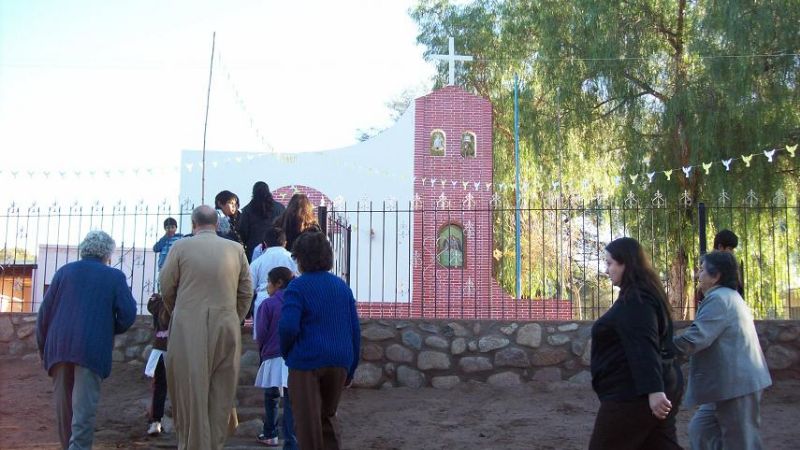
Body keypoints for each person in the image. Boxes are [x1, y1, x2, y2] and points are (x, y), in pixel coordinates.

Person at [159, 205, 254, 450]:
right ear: (217, 224)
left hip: (188, 325)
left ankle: (192, 444)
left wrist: (179, 312)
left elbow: (166, 287)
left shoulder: (180, 247)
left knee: (191, 389)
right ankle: (214, 444)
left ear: (193, 224)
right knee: (221, 392)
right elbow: (246, 291)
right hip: (226, 323)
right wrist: (233, 317)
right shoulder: (235, 249)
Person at [36, 230, 137, 449]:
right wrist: (107, 328)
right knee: (83, 412)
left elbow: (44, 314)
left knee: (64, 411)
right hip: (90, 349)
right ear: (108, 254)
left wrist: (44, 349)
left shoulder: (63, 272)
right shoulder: (114, 276)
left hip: (58, 348)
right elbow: (128, 315)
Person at [588, 237, 683, 450]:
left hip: (632, 395)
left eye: (610, 263)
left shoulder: (636, 300)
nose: (606, 270)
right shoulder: (642, 294)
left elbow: (643, 344)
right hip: (649, 389)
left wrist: (654, 391)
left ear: (626, 264)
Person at [674, 251, 772, 450]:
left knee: (741, 442)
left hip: (737, 385)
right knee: (701, 429)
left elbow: (697, 337)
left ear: (716, 276)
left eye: (701, 270)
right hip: (730, 384)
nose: (698, 275)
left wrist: (661, 346)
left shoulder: (719, 299)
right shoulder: (728, 296)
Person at [279, 230, 361, 450]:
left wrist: (288, 353)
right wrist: (350, 369)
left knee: (308, 426)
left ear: (300, 258)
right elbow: (354, 330)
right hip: (340, 361)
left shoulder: (297, 286)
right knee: (327, 418)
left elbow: (287, 326)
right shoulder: (342, 287)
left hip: (307, 361)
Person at [255, 267, 298, 448]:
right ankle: (291, 440)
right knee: (290, 400)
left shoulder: (268, 304)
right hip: (293, 356)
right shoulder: (297, 302)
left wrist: (262, 351)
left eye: (269, 282)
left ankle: (270, 433)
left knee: (271, 395)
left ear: (278, 283)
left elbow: (261, 332)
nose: (267, 287)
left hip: (272, 355)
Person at [250, 227, 297, 340]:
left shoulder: (257, 263)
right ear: (285, 243)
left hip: (263, 300)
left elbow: (249, 288)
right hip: (289, 300)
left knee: (264, 339)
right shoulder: (293, 260)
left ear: (265, 243)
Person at [239, 181, 286, 262]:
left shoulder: (247, 210)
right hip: (277, 247)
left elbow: (243, 231)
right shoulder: (280, 208)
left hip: (253, 249)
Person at [145, 292, 170, 436]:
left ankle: (156, 421)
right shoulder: (160, 302)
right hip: (167, 347)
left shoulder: (158, 302)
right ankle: (156, 421)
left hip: (166, 347)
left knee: (160, 386)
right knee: (160, 385)